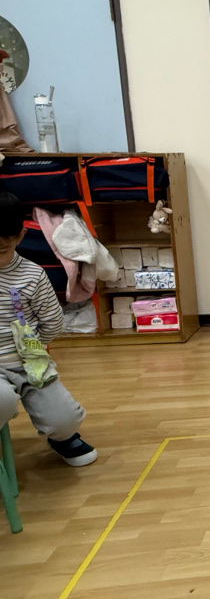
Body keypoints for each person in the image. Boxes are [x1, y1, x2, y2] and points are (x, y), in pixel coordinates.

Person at [0, 191, 96, 466]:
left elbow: (53, 321)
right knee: (2, 401)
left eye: (1, 251)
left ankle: (62, 438)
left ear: (20, 237)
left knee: (65, 418)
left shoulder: (32, 274)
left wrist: (34, 345)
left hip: (29, 361)